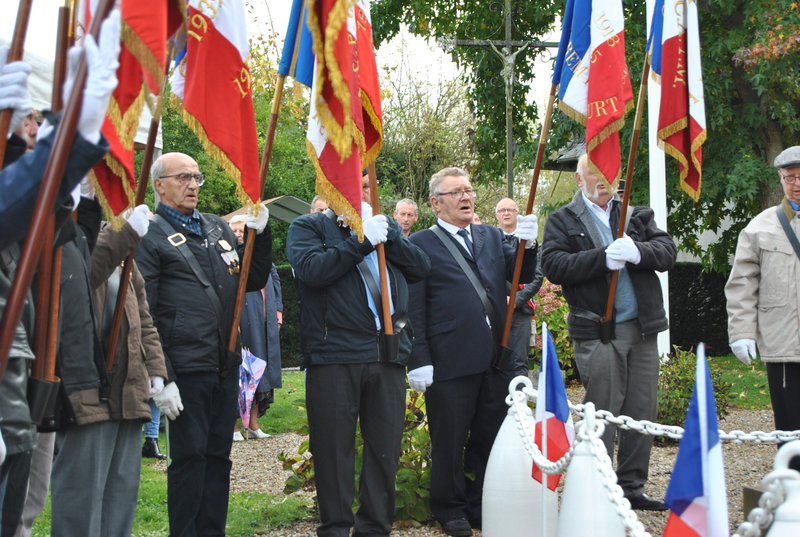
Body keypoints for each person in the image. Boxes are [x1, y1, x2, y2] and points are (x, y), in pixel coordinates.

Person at [135, 152, 272, 536]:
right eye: (183, 177)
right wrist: (164, 376)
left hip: (224, 362)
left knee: (218, 457)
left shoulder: (216, 227)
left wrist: (261, 238)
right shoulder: (151, 234)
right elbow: (148, 310)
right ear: (159, 185)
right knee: (189, 459)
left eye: (197, 177)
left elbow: (252, 280)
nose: (193, 185)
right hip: (187, 366)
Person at [406, 167, 539, 536]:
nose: (466, 198)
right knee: (448, 440)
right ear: (436, 202)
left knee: (490, 436)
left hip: (496, 357)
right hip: (449, 360)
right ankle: (449, 510)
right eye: (456, 193)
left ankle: (481, 505)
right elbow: (414, 306)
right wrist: (419, 359)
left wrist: (530, 243)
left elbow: (518, 273)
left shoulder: (491, 235)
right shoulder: (420, 243)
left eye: (468, 190)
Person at [287, 199, 431, 537]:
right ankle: (336, 528)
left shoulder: (385, 227)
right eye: (356, 183)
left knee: (385, 448)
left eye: (367, 184)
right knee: (333, 449)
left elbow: (421, 268)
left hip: (387, 354)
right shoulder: (308, 227)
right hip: (334, 354)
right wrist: (361, 241)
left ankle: (375, 527)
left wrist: (391, 235)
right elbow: (313, 271)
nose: (362, 191)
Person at [541, 154, 677, 511]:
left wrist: (638, 252)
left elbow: (667, 252)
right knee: (603, 410)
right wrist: (602, 258)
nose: (603, 179)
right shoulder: (563, 219)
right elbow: (554, 266)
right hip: (599, 330)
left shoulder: (636, 214)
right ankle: (598, 487)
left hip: (642, 328)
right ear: (578, 178)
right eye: (594, 173)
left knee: (641, 411)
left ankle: (631, 487)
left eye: (608, 172)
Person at [725, 146, 800, 472]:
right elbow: (741, 284)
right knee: (791, 425)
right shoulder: (761, 227)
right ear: (780, 179)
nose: (796, 184)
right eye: (790, 178)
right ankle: (793, 494)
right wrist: (741, 333)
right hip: (783, 345)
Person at [228, 216, 281, 441]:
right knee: (242, 374)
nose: (240, 234)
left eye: (243, 230)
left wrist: (277, 313)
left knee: (260, 373)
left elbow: (275, 282)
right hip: (243, 324)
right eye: (236, 231)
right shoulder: (229, 260)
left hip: (264, 324)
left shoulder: (263, 259)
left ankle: (253, 424)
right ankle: (234, 427)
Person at [494, 198, 544, 376]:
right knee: (493, 359)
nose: (506, 213)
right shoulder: (488, 241)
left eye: (510, 210)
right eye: (502, 210)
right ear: (497, 215)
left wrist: (515, 300)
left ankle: (519, 401)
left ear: (517, 213)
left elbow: (537, 277)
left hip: (520, 310)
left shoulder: (530, 242)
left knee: (519, 361)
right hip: (495, 309)